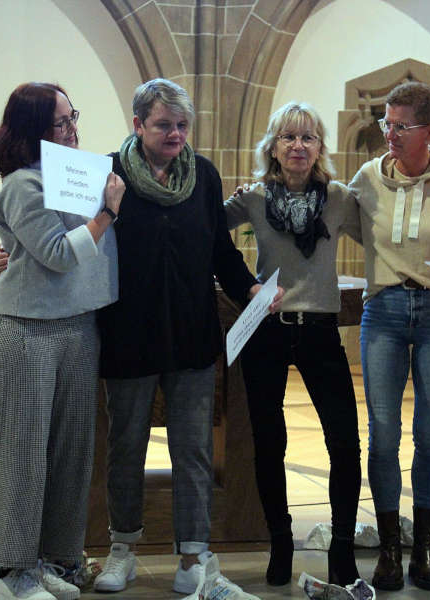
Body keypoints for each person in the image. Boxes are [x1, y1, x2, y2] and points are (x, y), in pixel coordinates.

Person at [91, 79, 283, 594]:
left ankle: (193, 557)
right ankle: (122, 549)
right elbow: (79, 239)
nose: (175, 134)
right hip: (128, 333)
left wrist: (253, 289)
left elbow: (220, 250)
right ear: (137, 125)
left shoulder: (202, 175)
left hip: (192, 335)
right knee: (125, 446)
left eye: (182, 125)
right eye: (163, 125)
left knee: (193, 449)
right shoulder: (108, 175)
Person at [0, 82, 123, 600]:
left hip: (78, 328)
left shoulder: (74, 174)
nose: (72, 128)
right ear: (34, 131)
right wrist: (106, 214)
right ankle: (14, 573)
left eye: (72, 118)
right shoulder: (23, 183)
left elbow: (32, 246)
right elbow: (60, 253)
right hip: (26, 332)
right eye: (61, 122)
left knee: (71, 455)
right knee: (22, 456)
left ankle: (59, 560)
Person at [347, 81, 430, 592]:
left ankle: (422, 549)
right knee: (383, 431)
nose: (390, 134)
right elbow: (343, 221)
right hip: (382, 308)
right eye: (387, 123)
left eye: (401, 126)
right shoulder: (366, 177)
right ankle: (388, 549)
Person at [223, 102, 361, 586]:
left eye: (308, 138)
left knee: (344, 442)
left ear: (320, 147)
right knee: (268, 442)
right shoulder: (254, 199)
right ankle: (280, 542)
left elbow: (381, 241)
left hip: (321, 329)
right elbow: (208, 237)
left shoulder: (341, 198)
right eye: (288, 138)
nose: (299, 146)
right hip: (268, 329)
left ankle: (342, 547)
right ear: (273, 147)